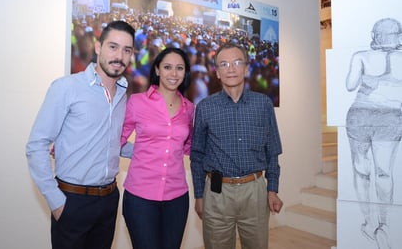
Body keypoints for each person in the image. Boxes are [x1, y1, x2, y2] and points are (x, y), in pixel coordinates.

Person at [26, 20, 135, 249]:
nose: (119, 56)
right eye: (113, 47)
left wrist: (154, 149)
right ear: (98, 47)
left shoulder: (123, 94)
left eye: (127, 50)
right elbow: (37, 145)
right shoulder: (66, 87)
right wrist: (56, 201)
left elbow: (113, 142)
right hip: (71, 200)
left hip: (109, 199)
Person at [190, 42, 283, 249]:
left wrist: (272, 189)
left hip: (255, 192)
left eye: (237, 62)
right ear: (217, 72)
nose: (231, 68)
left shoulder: (263, 104)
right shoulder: (205, 107)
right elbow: (196, 155)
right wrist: (199, 195)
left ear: (246, 68)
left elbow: (273, 151)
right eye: (224, 64)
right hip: (216, 194)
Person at [120, 47, 194, 249]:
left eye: (179, 68)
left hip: (177, 197)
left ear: (185, 73)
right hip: (140, 198)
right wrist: (141, 153)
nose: (173, 73)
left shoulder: (189, 109)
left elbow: (188, 147)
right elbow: (115, 140)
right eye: (168, 67)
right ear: (158, 70)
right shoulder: (137, 102)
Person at [345, 18, 402, 249]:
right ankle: (385, 225)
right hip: (390, 116)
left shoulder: (361, 56)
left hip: (360, 114)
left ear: (375, 35)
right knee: (384, 173)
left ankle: (368, 222)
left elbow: (350, 85)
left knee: (361, 171)